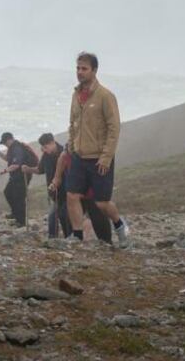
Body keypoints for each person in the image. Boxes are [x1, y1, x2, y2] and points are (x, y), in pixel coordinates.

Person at [66, 52, 129, 244]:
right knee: (72, 195)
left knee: (101, 203)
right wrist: (71, 144)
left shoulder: (105, 96)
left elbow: (114, 127)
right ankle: (77, 236)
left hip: (99, 158)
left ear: (94, 70)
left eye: (84, 69)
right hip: (79, 155)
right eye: (78, 68)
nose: (79, 72)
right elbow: (73, 122)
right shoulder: (76, 95)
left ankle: (119, 224)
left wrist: (106, 157)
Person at [41, 133, 112, 241]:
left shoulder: (89, 155)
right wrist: (53, 184)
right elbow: (57, 176)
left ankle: (107, 243)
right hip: (72, 193)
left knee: (98, 218)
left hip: (90, 193)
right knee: (67, 215)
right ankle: (73, 239)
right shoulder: (63, 155)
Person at [0, 132, 39, 228]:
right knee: (8, 192)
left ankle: (21, 221)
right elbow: (8, 159)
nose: (5, 145)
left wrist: (5, 170)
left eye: (5, 143)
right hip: (16, 176)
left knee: (19, 198)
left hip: (22, 176)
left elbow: (16, 165)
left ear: (9, 140)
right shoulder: (12, 148)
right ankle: (15, 214)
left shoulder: (17, 148)